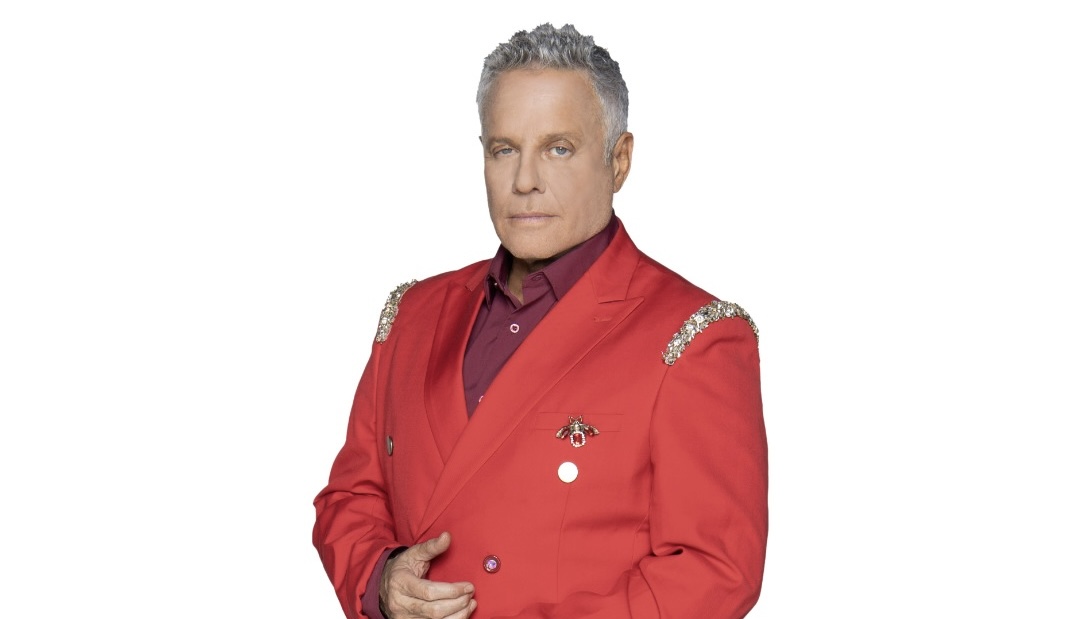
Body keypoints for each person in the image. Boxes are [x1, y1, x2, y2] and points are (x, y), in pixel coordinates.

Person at [313, 23, 767, 619]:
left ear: (619, 160)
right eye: (504, 149)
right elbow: (351, 497)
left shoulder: (693, 338)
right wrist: (382, 580)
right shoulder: (413, 315)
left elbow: (713, 570)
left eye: (558, 148)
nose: (525, 180)